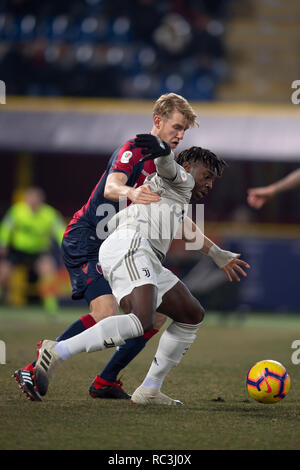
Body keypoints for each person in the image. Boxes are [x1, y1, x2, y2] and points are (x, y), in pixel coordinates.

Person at [33, 138, 250, 405]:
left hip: (145, 255)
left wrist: (218, 254)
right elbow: (167, 164)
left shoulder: (178, 196)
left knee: (191, 314)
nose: (209, 184)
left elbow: (188, 228)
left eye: (213, 180)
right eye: (206, 176)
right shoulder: (179, 176)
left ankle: (150, 389)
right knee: (142, 321)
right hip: (131, 244)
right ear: (189, 167)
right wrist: (163, 151)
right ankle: (56, 351)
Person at [14, 93, 200, 401]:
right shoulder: (133, 150)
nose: (180, 136)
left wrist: (213, 251)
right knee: (107, 314)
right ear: (158, 121)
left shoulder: (168, 167)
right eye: (176, 128)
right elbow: (113, 186)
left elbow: (175, 215)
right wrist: (132, 192)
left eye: (185, 131)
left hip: (126, 245)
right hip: (88, 238)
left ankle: (106, 381)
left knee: (154, 316)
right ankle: (36, 368)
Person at [0, 187, 65, 314]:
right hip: (18, 250)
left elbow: (60, 231)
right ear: (25, 199)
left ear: (42, 200)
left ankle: (51, 308)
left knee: (48, 272)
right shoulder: (17, 211)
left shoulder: (50, 214)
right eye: (31, 198)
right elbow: (6, 228)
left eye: (36, 198)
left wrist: (65, 246)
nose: (33, 201)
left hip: (39, 251)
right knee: (3, 272)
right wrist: (3, 243)